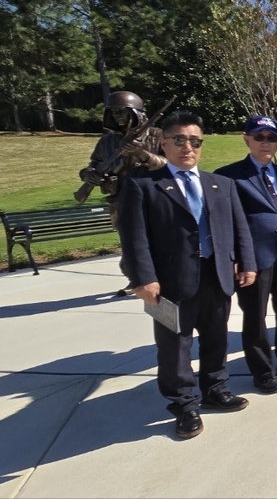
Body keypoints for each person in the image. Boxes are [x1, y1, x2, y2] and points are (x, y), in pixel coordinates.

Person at [117, 109, 256, 440]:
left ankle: (215, 390)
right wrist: (143, 279)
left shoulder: (221, 184)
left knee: (216, 337)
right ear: (164, 143)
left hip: (216, 274)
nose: (187, 147)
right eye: (179, 140)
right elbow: (135, 239)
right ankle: (184, 404)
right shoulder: (143, 187)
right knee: (174, 346)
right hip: (169, 282)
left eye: (195, 141)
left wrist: (247, 262)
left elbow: (240, 229)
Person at [214, 116, 277, 394]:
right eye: (260, 137)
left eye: (272, 137)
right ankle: (262, 371)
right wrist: (236, 258)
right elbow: (226, 223)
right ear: (247, 139)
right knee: (255, 316)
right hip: (253, 257)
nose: (266, 142)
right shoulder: (229, 176)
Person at [78, 91, 167, 295]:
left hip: (153, 197)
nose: (118, 117)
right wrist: (89, 175)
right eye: (114, 113)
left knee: (158, 240)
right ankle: (135, 279)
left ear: (136, 113)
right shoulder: (107, 141)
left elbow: (168, 165)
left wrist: (139, 152)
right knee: (130, 243)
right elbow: (92, 166)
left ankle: (158, 277)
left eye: (122, 112)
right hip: (121, 198)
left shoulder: (157, 136)